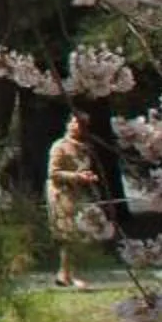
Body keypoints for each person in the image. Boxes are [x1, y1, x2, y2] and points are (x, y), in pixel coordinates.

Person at [47, 112, 106, 288]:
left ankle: (65, 273)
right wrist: (76, 176)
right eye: (73, 122)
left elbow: (83, 168)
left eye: (80, 124)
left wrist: (88, 176)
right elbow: (53, 173)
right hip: (61, 193)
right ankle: (69, 274)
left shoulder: (85, 147)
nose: (76, 126)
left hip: (78, 193)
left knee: (79, 233)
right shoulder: (60, 146)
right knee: (68, 234)